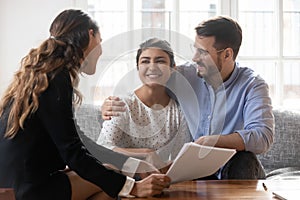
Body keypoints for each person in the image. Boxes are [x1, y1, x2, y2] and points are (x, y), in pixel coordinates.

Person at [0, 9, 170, 200]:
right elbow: (73, 152)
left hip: (16, 182)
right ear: (91, 35)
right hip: (30, 190)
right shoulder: (57, 80)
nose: (101, 49)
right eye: (101, 40)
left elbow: (81, 144)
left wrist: (132, 162)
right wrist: (134, 187)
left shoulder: (45, 76)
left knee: (113, 174)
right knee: (116, 182)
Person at [101, 16, 274, 179]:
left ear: (227, 54)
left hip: (235, 167)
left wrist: (212, 141)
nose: (194, 58)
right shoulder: (185, 75)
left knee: (244, 159)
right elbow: (150, 82)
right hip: (195, 170)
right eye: (195, 50)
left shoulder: (253, 85)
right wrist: (110, 104)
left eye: (203, 52)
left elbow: (262, 137)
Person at [96, 38, 192, 170]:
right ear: (138, 68)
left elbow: (178, 159)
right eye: (145, 61)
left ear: (172, 69)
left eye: (160, 61)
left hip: (159, 179)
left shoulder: (178, 112)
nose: (152, 67)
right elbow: (102, 147)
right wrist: (145, 154)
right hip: (120, 177)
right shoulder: (122, 104)